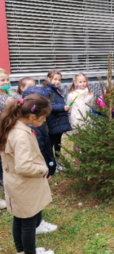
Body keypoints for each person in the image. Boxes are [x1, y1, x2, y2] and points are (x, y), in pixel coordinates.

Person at [0, 94, 55, 254]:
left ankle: (21, 251)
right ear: (32, 116)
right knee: (29, 223)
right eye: (43, 118)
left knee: (20, 219)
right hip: (24, 186)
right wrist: (42, 169)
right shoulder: (21, 135)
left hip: (15, 184)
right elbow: (24, 166)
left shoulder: (11, 125)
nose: (44, 121)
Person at [23, 86, 58, 235]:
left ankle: (37, 222)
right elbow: (40, 150)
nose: (45, 119)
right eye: (43, 116)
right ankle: (37, 225)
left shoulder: (36, 124)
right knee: (35, 199)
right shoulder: (31, 129)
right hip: (37, 170)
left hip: (40, 168)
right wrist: (47, 167)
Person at [0, 68, 21, 210]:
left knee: (8, 158)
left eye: (7, 79)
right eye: (2, 80)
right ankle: (3, 186)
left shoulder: (12, 93)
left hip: (10, 131)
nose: (6, 82)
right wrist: (4, 105)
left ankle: (9, 184)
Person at [43, 70, 72, 157]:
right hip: (52, 121)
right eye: (55, 79)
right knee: (51, 142)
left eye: (59, 80)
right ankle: (50, 160)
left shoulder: (56, 90)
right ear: (48, 79)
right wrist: (63, 108)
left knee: (58, 141)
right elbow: (49, 106)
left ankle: (58, 158)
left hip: (58, 121)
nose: (57, 82)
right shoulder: (48, 91)